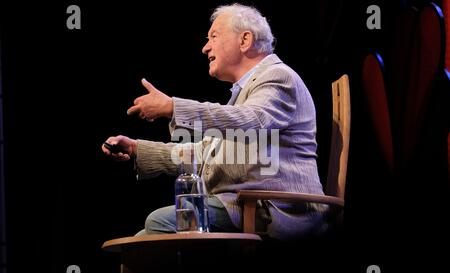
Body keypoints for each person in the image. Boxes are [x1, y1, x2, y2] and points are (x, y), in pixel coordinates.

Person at [102, 3, 326, 240]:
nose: (205, 47)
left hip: (277, 210)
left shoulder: (279, 77)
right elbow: (203, 154)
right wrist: (138, 149)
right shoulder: (244, 93)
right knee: (141, 239)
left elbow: (253, 120)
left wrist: (173, 107)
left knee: (158, 223)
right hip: (247, 207)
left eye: (213, 36)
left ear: (245, 40)